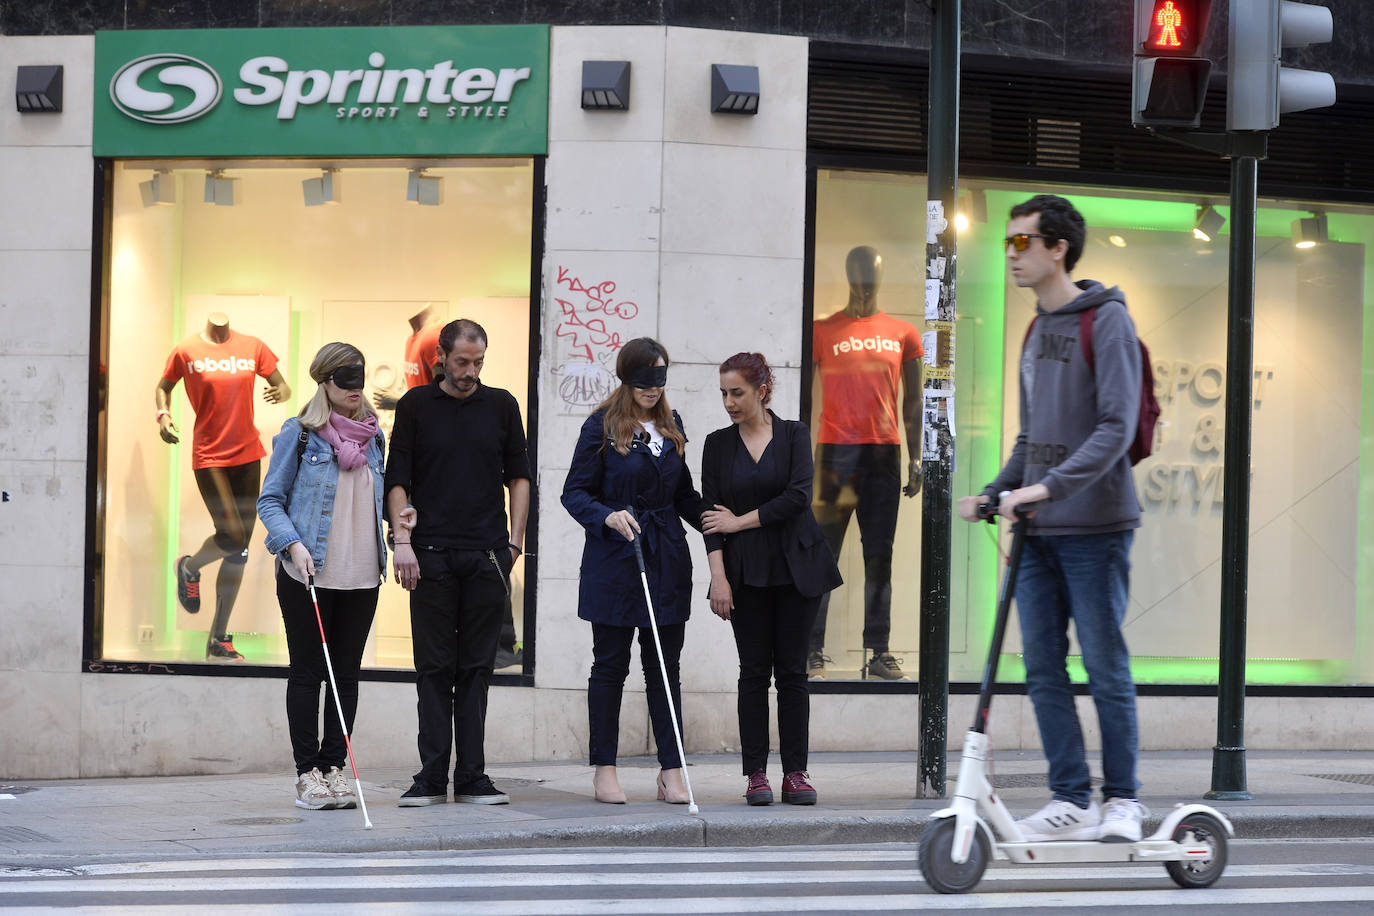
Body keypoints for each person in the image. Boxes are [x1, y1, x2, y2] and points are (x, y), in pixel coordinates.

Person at [957, 194, 1144, 843]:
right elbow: (1030, 438)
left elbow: (1117, 428)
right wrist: (995, 491)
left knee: (1105, 668)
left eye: (1022, 242)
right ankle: (1071, 797)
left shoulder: (1108, 321)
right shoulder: (1036, 331)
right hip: (1037, 534)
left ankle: (1123, 801)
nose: (1011, 254)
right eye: (1007, 243)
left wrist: (1047, 488)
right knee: (1041, 669)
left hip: (1097, 529)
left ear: (1057, 248)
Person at [386, 319, 531, 807]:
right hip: (429, 555)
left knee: (476, 669)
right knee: (433, 668)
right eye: (463, 362)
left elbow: (520, 477)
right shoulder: (415, 405)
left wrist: (514, 545)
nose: (471, 372)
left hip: (488, 555)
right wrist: (402, 542)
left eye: (479, 362)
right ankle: (430, 777)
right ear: (441, 358)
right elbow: (397, 478)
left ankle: (471, 777)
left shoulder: (502, 405)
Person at [258, 343, 405, 810]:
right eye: (345, 379)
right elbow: (269, 501)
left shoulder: (373, 437)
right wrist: (293, 544)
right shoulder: (299, 434)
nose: (355, 388)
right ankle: (307, 775)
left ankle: (334, 766)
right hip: (308, 574)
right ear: (324, 381)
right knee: (307, 672)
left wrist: (402, 523)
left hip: (362, 576)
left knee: (346, 675)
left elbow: (379, 502)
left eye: (360, 377)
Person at [561, 338, 704, 805]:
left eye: (659, 378)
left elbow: (683, 495)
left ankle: (672, 769)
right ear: (626, 378)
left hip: (667, 559)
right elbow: (574, 492)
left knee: (665, 667)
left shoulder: (671, 425)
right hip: (615, 561)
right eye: (644, 379)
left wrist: (718, 524)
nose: (652, 388)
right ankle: (604, 768)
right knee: (610, 665)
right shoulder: (601, 426)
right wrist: (606, 515)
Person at [701, 353, 842, 806]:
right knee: (753, 674)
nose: (729, 402)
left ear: (761, 391)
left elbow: (797, 498)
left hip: (797, 569)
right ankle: (756, 775)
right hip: (745, 574)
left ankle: (796, 774)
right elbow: (710, 519)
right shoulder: (717, 445)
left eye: (737, 392)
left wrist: (738, 521)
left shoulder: (795, 434)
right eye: (723, 393)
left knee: (793, 674)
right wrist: (718, 579)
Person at [808, 246, 923, 680]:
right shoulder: (821, 331)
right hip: (834, 452)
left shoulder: (902, 333)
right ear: (847, 275)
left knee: (880, 557)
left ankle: (879, 651)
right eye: (857, 273)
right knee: (823, 555)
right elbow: (803, 401)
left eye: (870, 273)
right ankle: (811, 650)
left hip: (882, 453)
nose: (864, 282)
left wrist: (916, 457)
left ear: (880, 277)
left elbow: (913, 402)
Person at [157, 312, 291, 662]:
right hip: (210, 455)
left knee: (239, 549)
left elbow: (283, 385)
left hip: (248, 454)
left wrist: (281, 390)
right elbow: (163, 387)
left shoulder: (253, 346)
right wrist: (163, 416)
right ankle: (189, 566)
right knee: (231, 534)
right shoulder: (186, 351)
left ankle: (218, 638)